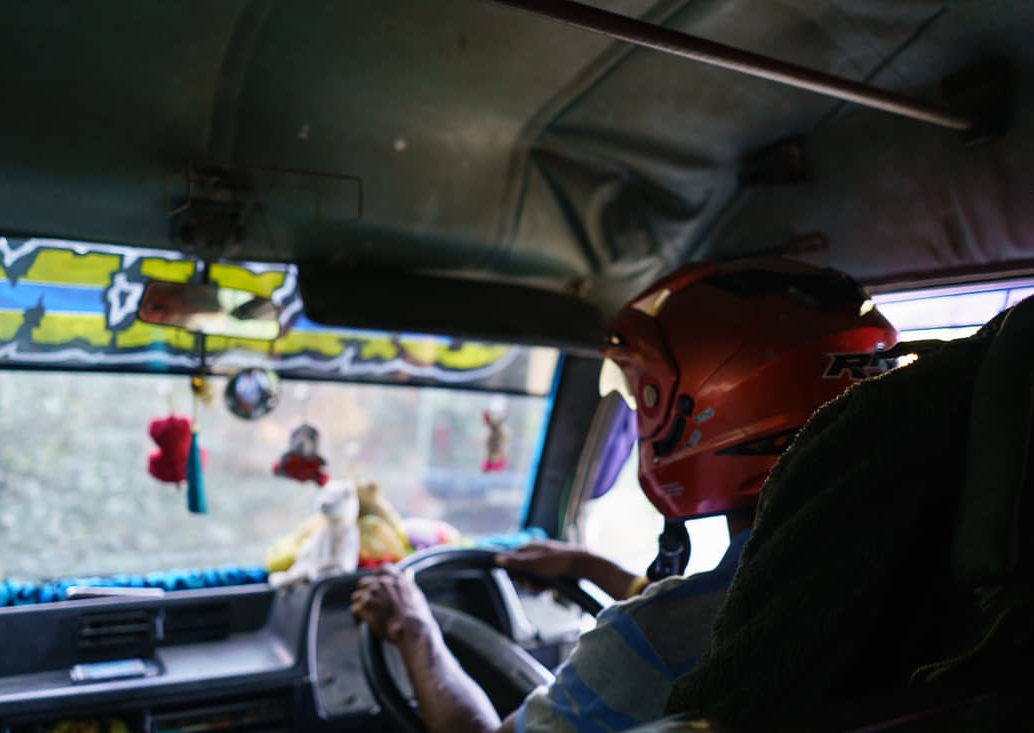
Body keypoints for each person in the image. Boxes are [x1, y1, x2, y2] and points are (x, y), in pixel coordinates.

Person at [351, 256, 899, 733]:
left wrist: (414, 629)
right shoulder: (905, 568)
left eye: (645, 399)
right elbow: (722, 606)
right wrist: (589, 566)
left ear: (701, 413)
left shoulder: (648, 641)